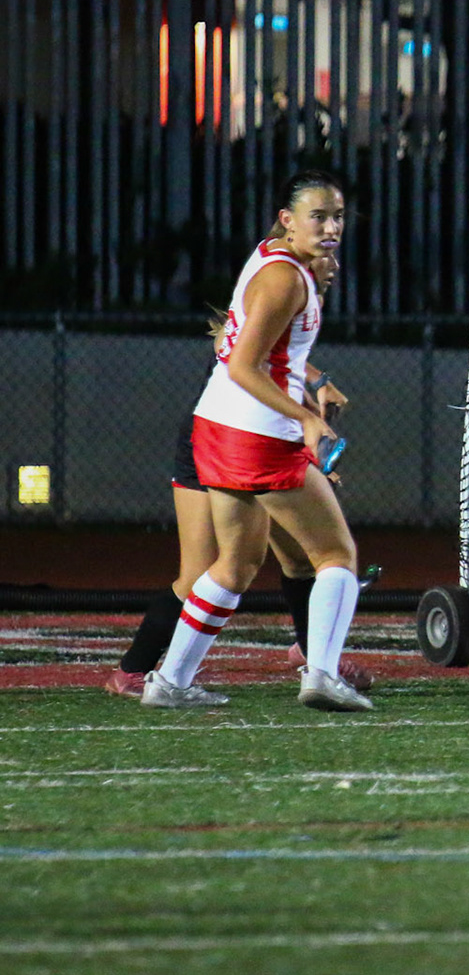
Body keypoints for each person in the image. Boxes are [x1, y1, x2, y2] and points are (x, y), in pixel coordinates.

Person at [140, 171, 370, 712]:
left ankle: (169, 681)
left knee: (237, 564)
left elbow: (244, 344)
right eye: (318, 216)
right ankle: (322, 674)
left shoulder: (276, 257)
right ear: (288, 220)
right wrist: (306, 419)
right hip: (256, 433)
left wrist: (311, 385)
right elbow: (245, 365)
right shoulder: (285, 279)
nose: (332, 227)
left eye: (338, 217)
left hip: (217, 426)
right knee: (335, 554)